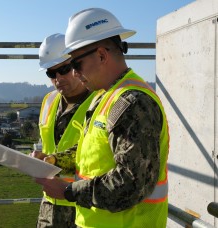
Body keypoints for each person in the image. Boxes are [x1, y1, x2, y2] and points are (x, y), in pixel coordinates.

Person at [35, 8, 169, 228]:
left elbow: (131, 184)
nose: (75, 74)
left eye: (75, 65)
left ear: (101, 55)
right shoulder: (105, 97)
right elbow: (90, 154)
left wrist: (68, 191)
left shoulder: (133, 103)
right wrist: (54, 161)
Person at [31, 33, 97, 228]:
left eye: (64, 69)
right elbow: (49, 144)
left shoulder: (99, 102)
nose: (58, 79)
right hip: (49, 204)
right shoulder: (49, 101)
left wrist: (52, 160)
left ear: (77, 64)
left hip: (84, 206)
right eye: (51, 74)